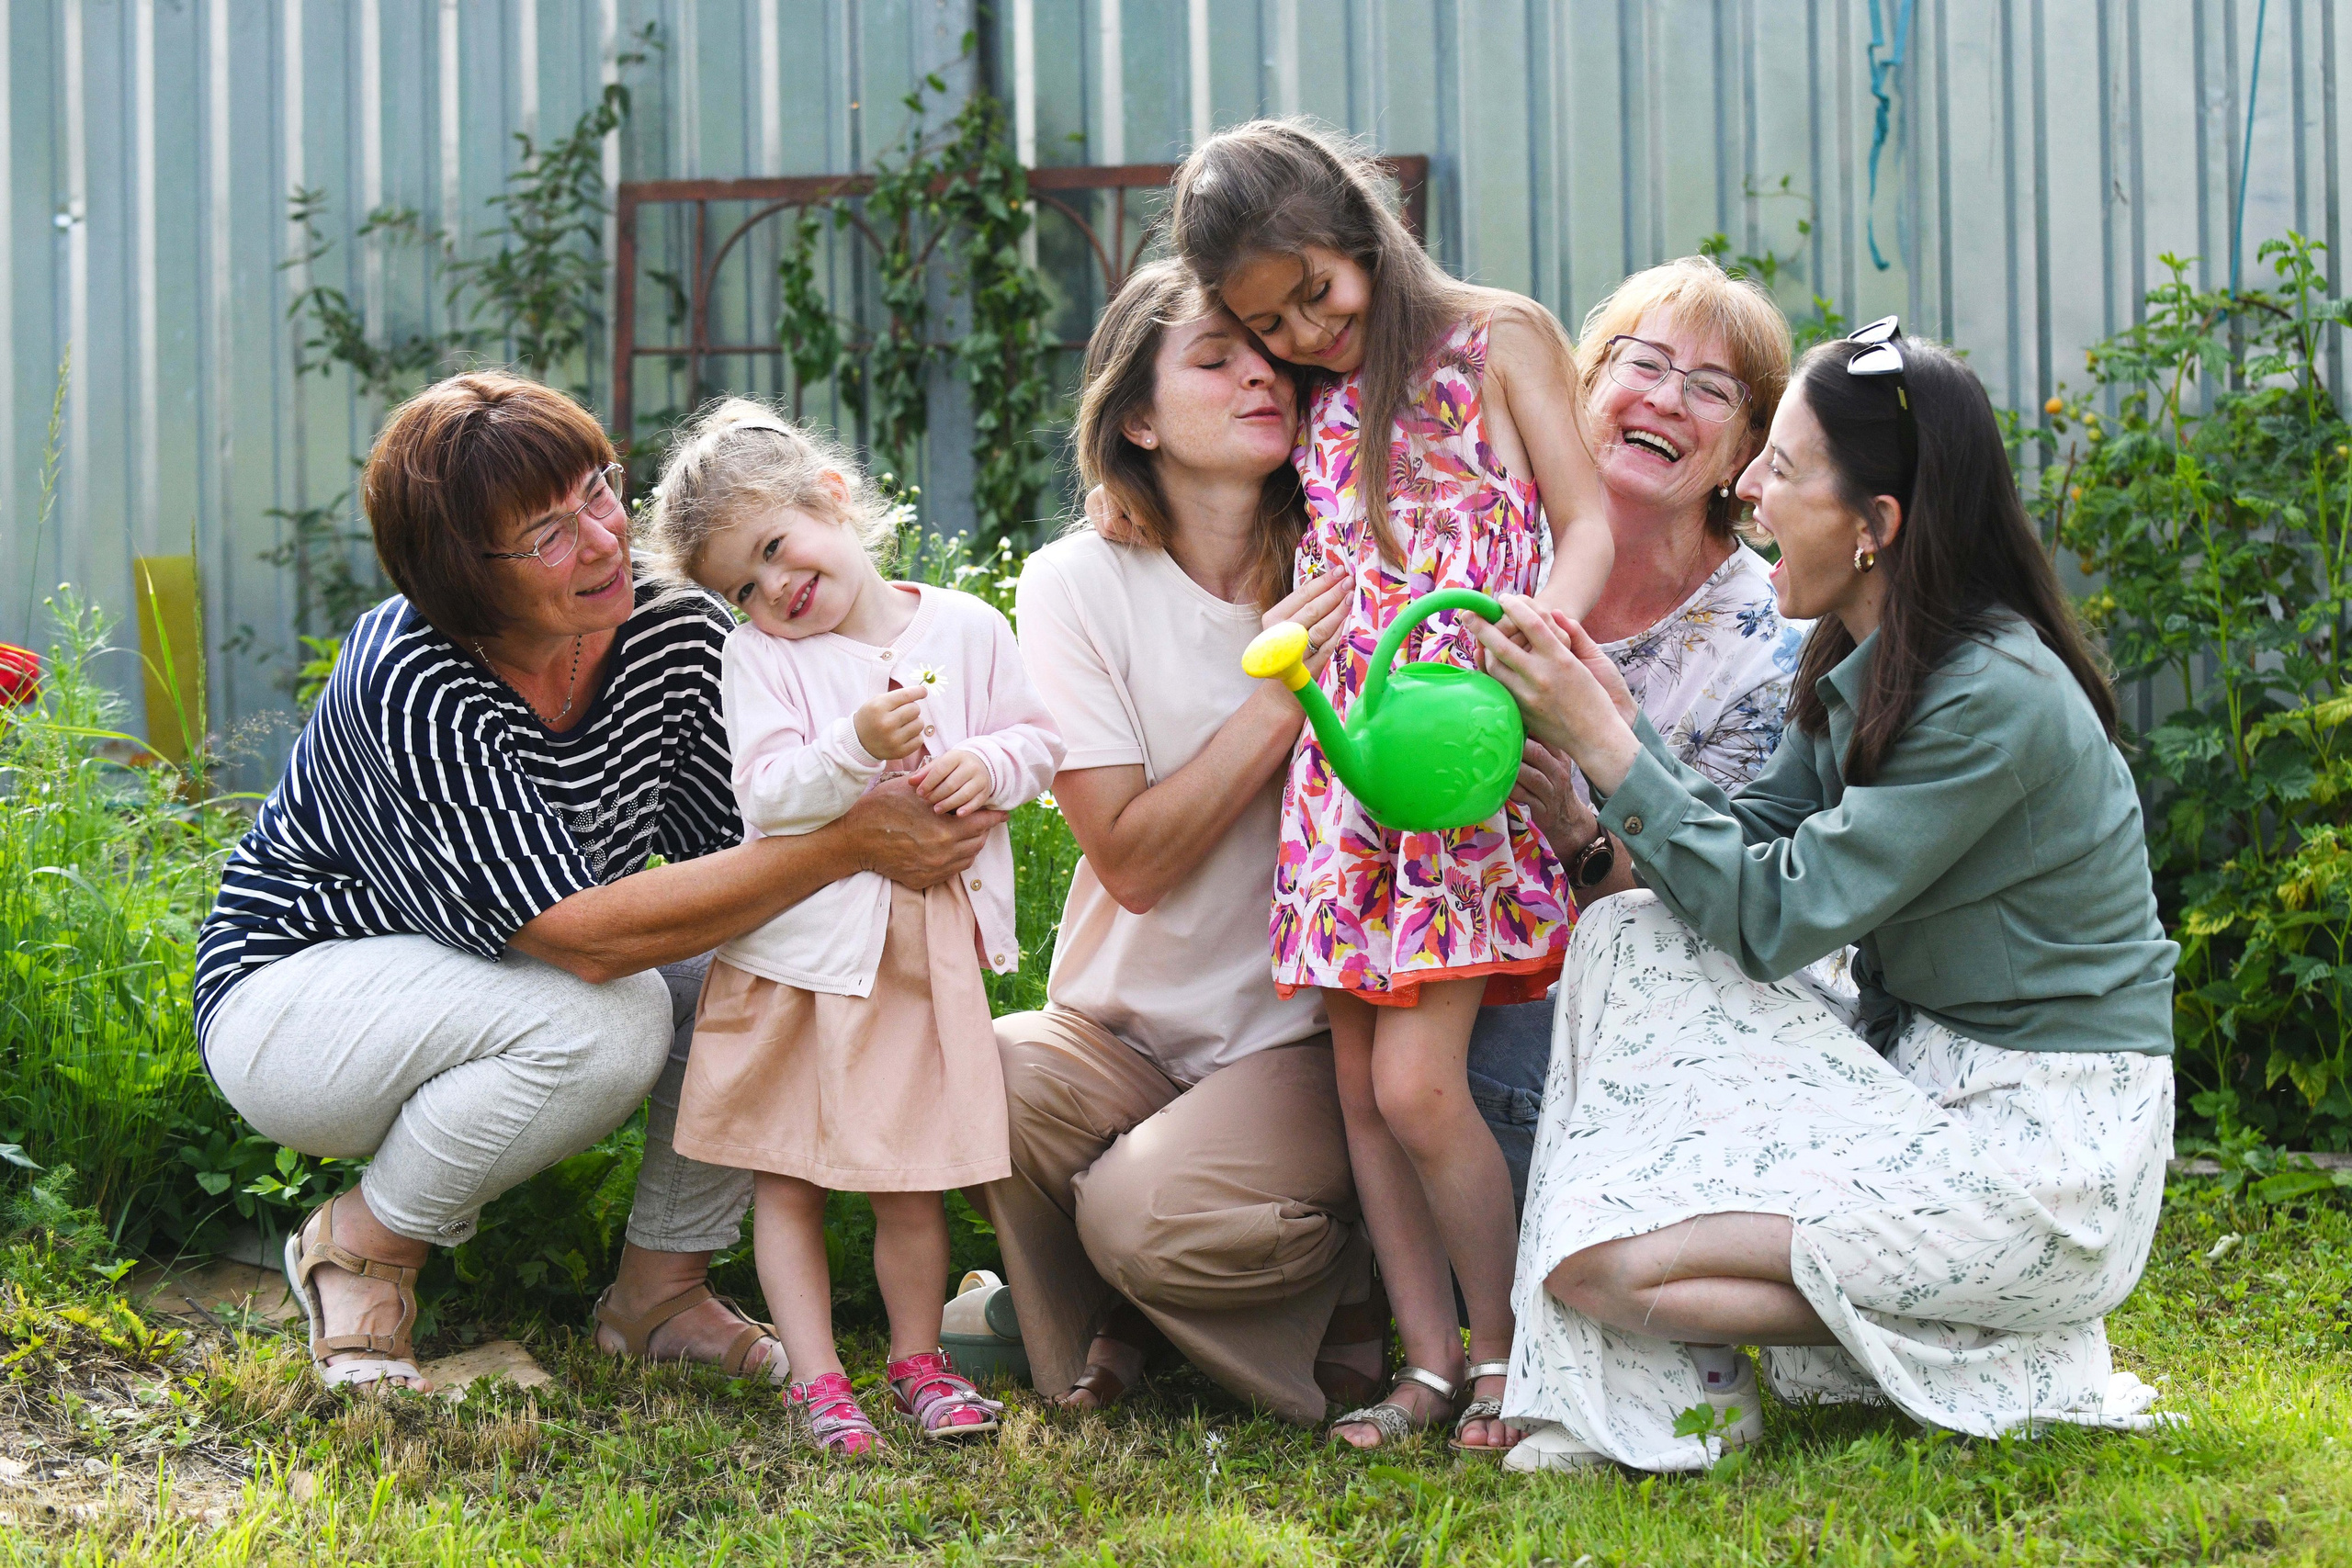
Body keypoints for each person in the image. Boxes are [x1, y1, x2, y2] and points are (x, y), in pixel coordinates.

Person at [194, 373, 996, 1393]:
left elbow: (753, 865)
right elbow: (580, 938)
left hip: (503, 980)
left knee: (763, 961)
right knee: (607, 1020)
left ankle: (660, 1292)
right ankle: (360, 1243)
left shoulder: (676, 631)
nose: (606, 540)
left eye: (598, 492)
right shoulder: (413, 675)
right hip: (303, 1002)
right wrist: (853, 845)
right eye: (547, 535)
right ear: (460, 572)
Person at [1469, 322, 2178, 1473]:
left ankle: (2011, 1333)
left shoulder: (1991, 696)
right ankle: (1692, 1396)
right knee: (1629, 937)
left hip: (2047, 1164)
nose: (1745, 488)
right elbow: (1744, 850)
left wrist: (1606, 747)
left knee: (1594, 1266)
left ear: (1875, 528)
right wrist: (1616, 745)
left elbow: (1774, 917)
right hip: (1918, 1091)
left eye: (1782, 470)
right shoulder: (1862, 653)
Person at [1168, 118, 1611, 1454]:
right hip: (1344, 775)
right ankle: (1423, 1364)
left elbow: (1584, 518)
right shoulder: (1318, 392)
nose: (1304, 331)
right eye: (1267, 320)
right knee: (1364, 1089)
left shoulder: (1498, 335)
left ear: (1365, 227)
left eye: (1316, 290)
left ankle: (1510, 1351)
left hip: (1458, 757)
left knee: (1424, 1086)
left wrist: (1529, 645)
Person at [991, 260, 1385, 1428]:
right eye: (1216, 358)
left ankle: (1334, 1294)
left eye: (1272, 350)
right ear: (1140, 421)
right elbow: (1132, 861)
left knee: (1139, 1217)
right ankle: (1121, 1325)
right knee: (986, 1071)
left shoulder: (1349, 558)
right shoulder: (1075, 584)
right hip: (1121, 1033)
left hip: (1307, 1040)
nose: (1262, 371)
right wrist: (1278, 700)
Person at [637, 400, 1062, 1454]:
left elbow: (1037, 741)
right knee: (785, 1170)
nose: (773, 589)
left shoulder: (966, 627)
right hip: (794, 957)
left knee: (906, 1176)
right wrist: (853, 744)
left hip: (917, 953)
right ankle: (819, 1380)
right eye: (743, 584)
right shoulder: (759, 659)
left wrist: (991, 765)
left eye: (775, 549)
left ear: (832, 498)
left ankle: (917, 1361)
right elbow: (771, 796)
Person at [1465, 256, 1805, 1207]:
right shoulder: (1495, 542)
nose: (1664, 399)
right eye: (1642, 364)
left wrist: (1577, 829)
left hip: (1643, 1017)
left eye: (1710, 390)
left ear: (1747, 447)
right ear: (1585, 386)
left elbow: (1739, 917)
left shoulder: (1766, 650)